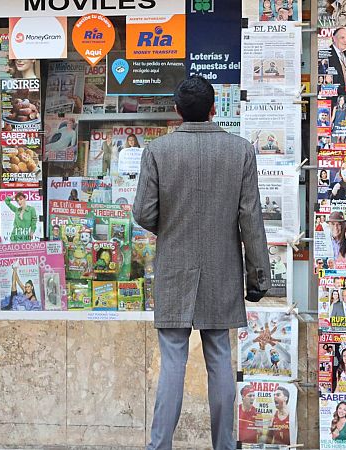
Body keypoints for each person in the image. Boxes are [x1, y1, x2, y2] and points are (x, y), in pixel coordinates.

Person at [134, 76, 270, 450]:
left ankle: (159, 446)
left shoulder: (158, 151)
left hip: (174, 270)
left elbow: (143, 213)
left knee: (173, 363)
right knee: (220, 359)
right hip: (222, 270)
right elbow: (251, 219)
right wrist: (258, 276)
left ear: (177, 111)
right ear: (214, 109)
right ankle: (224, 446)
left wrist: (172, 226)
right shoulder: (240, 151)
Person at [328, 27, 346, 95]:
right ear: (334, 39)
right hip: (333, 97)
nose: (345, 41)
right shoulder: (326, 54)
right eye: (342, 38)